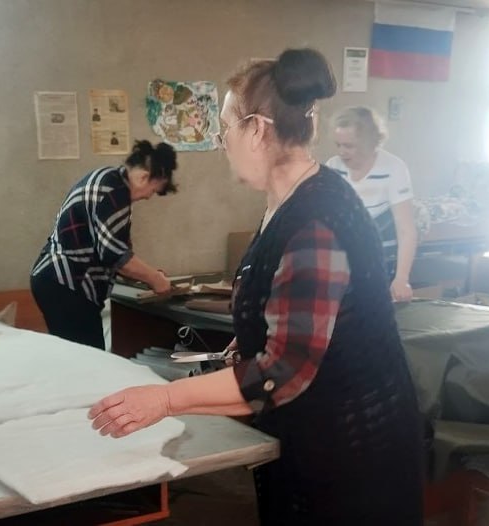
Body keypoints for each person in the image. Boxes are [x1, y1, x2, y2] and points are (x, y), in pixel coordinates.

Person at [88, 49, 424, 525]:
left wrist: (163, 399)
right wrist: (245, 346)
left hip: (352, 454)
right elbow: (288, 316)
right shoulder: (286, 201)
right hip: (316, 437)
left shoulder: (315, 223)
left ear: (258, 130)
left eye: (225, 128)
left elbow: (283, 370)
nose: (222, 142)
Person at [30, 140, 177, 349]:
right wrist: (155, 279)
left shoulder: (107, 179)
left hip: (54, 280)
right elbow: (116, 256)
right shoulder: (114, 192)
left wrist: (148, 276)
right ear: (144, 177)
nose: (147, 197)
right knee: (90, 360)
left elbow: (113, 253)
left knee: (77, 357)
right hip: (66, 284)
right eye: (153, 190)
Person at [326, 107, 417, 302]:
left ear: (369, 142)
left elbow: (406, 230)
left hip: (383, 260)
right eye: (338, 145)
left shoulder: (394, 168)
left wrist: (401, 279)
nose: (342, 152)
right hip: (345, 261)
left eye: (349, 146)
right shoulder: (333, 166)